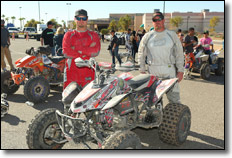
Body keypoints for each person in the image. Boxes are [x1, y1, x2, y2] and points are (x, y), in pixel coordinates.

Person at [138, 12, 184, 104]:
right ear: (152, 22)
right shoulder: (147, 36)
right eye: (155, 20)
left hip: (170, 72)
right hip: (153, 72)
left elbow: (179, 53)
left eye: (159, 19)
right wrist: (142, 70)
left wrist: (180, 70)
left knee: (175, 102)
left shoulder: (172, 35)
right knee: (154, 103)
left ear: (163, 20)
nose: (157, 21)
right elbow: (141, 54)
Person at [62, 9, 101, 89]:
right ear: (75, 19)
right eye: (79, 18)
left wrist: (76, 48)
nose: (81, 21)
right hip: (71, 75)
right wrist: (88, 49)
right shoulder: (68, 35)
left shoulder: (93, 35)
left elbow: (95, 52)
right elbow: (66, 52)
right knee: (69, 101)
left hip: (89, 75)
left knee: (89, 100)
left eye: (83, 18)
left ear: (87, 19)